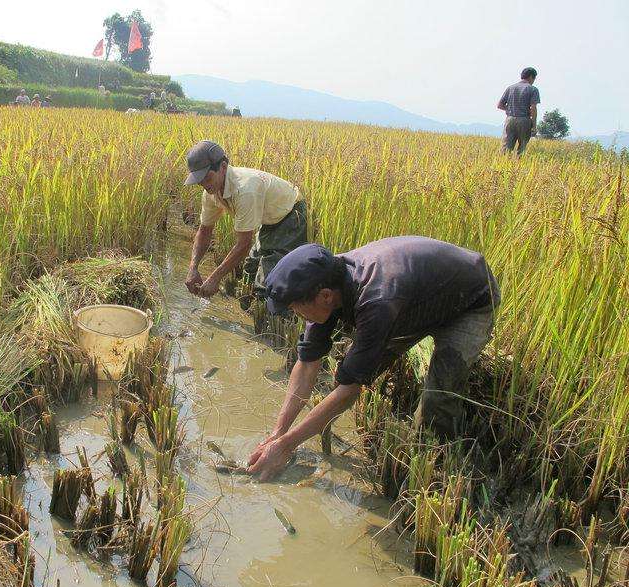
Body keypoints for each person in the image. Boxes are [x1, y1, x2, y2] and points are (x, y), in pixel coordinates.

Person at [247, 237, 501, 481]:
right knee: (352, 370)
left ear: (325, 296)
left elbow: (350, 390)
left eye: (295, 309)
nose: (297, 315)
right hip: (415, 299)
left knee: (438, 396)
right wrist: (278, 433)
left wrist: (286, 446)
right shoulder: (329, 284)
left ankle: (433, 466)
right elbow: (307, 364)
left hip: (470, 299)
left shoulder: (376, 299)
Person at [183, 140, 308, 299]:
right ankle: (248, 313)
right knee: (250, 270)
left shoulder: (245, 190)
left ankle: (274, 316)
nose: (204, 185)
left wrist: (215, 278)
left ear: (223, 167)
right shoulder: (210, 192)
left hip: (291, 215)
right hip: (268, 219)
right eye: (199, 181)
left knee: (269, 281)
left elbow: (244, 244)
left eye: (207, 178)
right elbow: (205, 230)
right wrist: (193, 268)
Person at [497, 67, 540, 156]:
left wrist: (510, 109)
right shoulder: (533, 89)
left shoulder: (510, 88)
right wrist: (534, 126)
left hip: (510, 120)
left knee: (506, 147)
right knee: (522, 148)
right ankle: (518, 166)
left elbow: (500, 105)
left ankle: (503, 166)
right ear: (531, 77)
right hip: (524, 120)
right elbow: (533, 108)